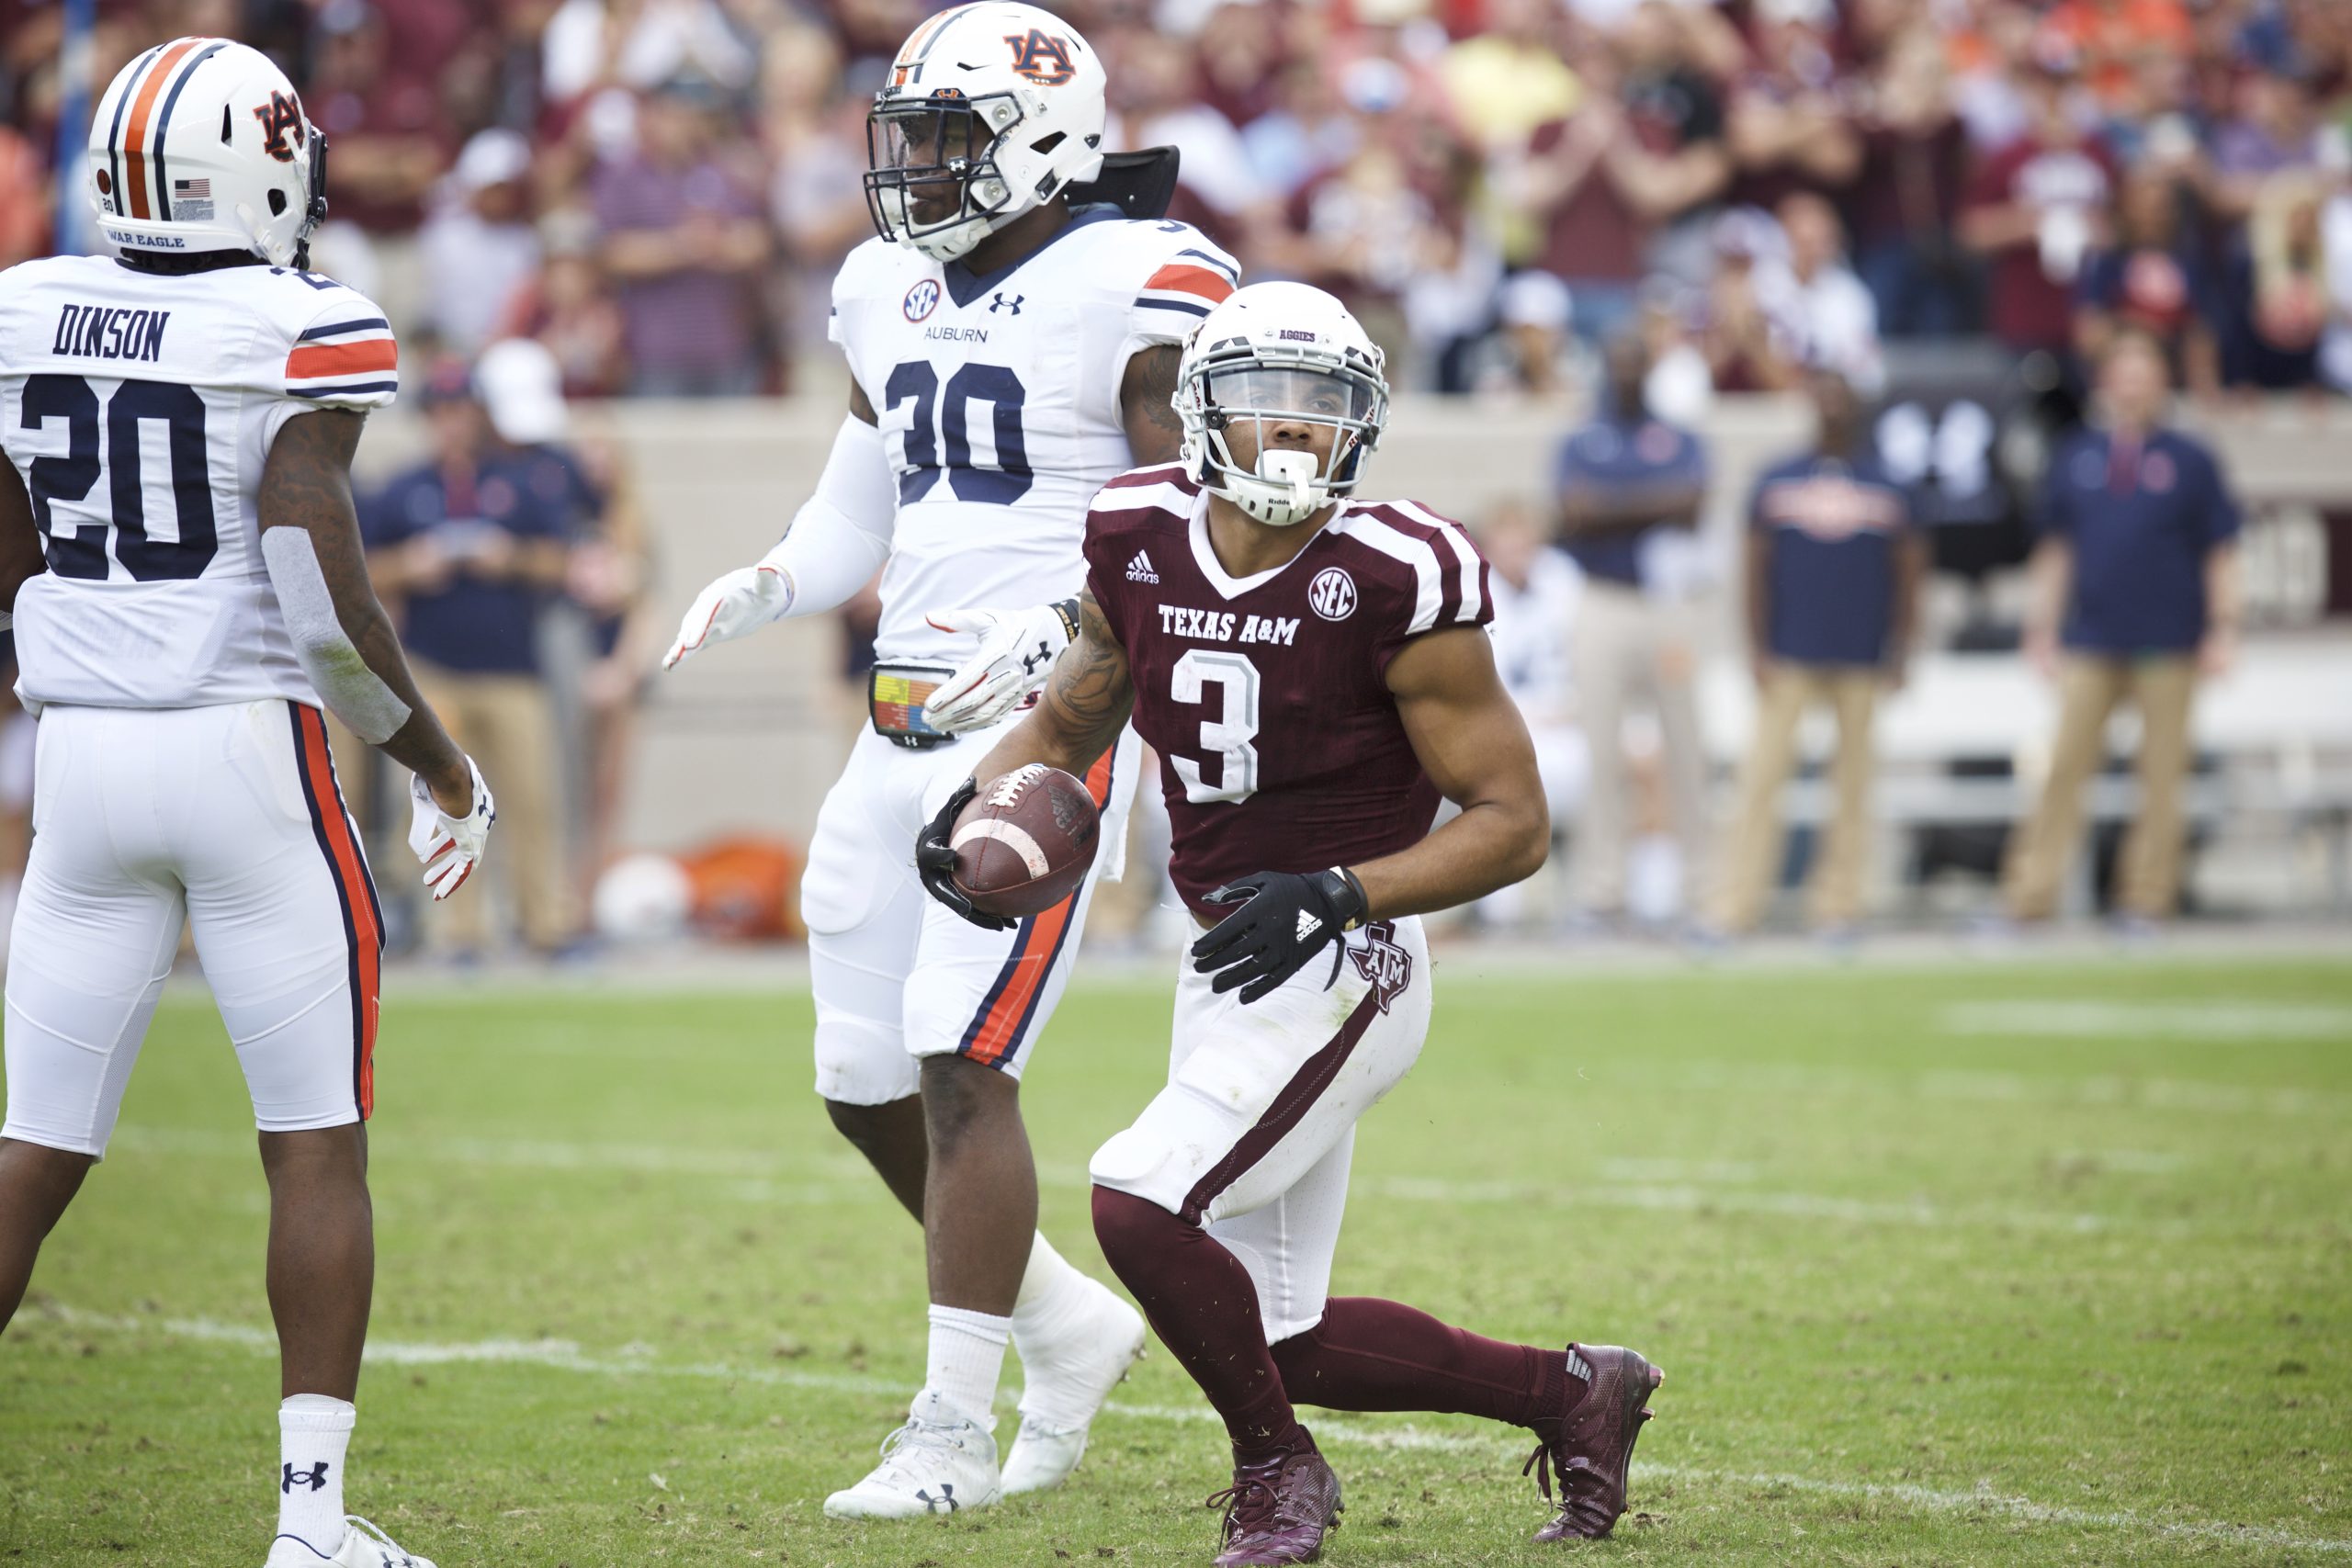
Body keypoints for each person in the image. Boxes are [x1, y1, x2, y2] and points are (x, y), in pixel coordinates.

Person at [923, 282, 1661, 1568]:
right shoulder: (1136, 529)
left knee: (1143, 1198)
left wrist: (1343, 889)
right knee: (1275, 1334)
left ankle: (1278, 1475)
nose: (1292, 430)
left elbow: (1513, 818)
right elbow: (1068, 723)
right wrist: (970, 806)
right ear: (1201, 410)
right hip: (1226, 951)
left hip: (1345, 956)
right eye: (1265, 397)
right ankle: (1574, 1389)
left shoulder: (1398, 568)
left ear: (1362, 425)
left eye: (1323, 406)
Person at [662, 1, 1240, 1517]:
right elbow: (860, 507)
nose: (909, 170)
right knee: (860, 1080)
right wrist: (770, 582)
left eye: (944, 141)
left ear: (1043, 137)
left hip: (1047, 726)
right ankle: (1064, 1324)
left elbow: (1186, 532)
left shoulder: (1144, 280)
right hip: (901, 710)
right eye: (904, 138)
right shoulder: (882, 284)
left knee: (963, 1062)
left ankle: (949, 1431)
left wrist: (1064, 652)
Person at [0, 41, 494, 1568]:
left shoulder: (24, 304)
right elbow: (310, 582)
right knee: (314, 1143)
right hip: (242, 748)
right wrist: (434, 758)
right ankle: (313, 1524)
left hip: (81, 757)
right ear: (267, 169)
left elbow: (16, 545)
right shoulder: (303, 321)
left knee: (33, 1139)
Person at [2002, 329, 2240, 929]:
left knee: (2161, 776)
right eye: (2123, 371)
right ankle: (2029, 896)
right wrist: (2042, 626)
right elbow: (2057, 551)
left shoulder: (2191, 459)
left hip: (2168, 638)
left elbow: (2220, 550)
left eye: (2144, 370)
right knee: (2063, 768)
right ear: (2107, 382)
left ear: (2163, 380)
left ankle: (2146, 898)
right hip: (2092, 636)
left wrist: (2223, 626)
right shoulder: (2079, 455)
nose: (2133, 384)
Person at [362, 363, 577, 958]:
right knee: (444, 802)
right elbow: (363, 573)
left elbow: (561, 562)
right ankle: (458, 931)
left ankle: (545, 922)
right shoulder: (404, 490)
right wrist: (412, 565)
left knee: (532, 797)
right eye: (443, 411)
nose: (453, 423)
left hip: (512, 667)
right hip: (434, 668)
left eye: (462, 411)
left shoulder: (521, 483)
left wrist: (507, 558)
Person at [1709, 368, 1922, 938]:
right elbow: (1755, 566)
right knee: (1762, 781)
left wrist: (1902, 647)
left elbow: (1909, 573)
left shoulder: (1888, 482)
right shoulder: (1778, 476)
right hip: (1790, 653)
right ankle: (1734, 905)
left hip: (1861, 655)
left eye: (1841, 396)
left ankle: (1839, 906)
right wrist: (1756, 645)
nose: (1832, 407)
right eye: (1824, 396)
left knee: (1852, 786)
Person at [1557, 333, 1712, 926]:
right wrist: (1654, 502)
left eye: (1633, 362)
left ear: (1647, 369)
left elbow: (1693, 503)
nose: (1625, 373)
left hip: (1667, 603)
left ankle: (1703, 888)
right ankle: (1603, 889)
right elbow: (1574, 512)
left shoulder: (1678, 436)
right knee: (1600, 747)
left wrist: (1611, 506)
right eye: (1617, 361)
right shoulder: (1582, 436)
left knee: (1687, 747)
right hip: (1602, 599)